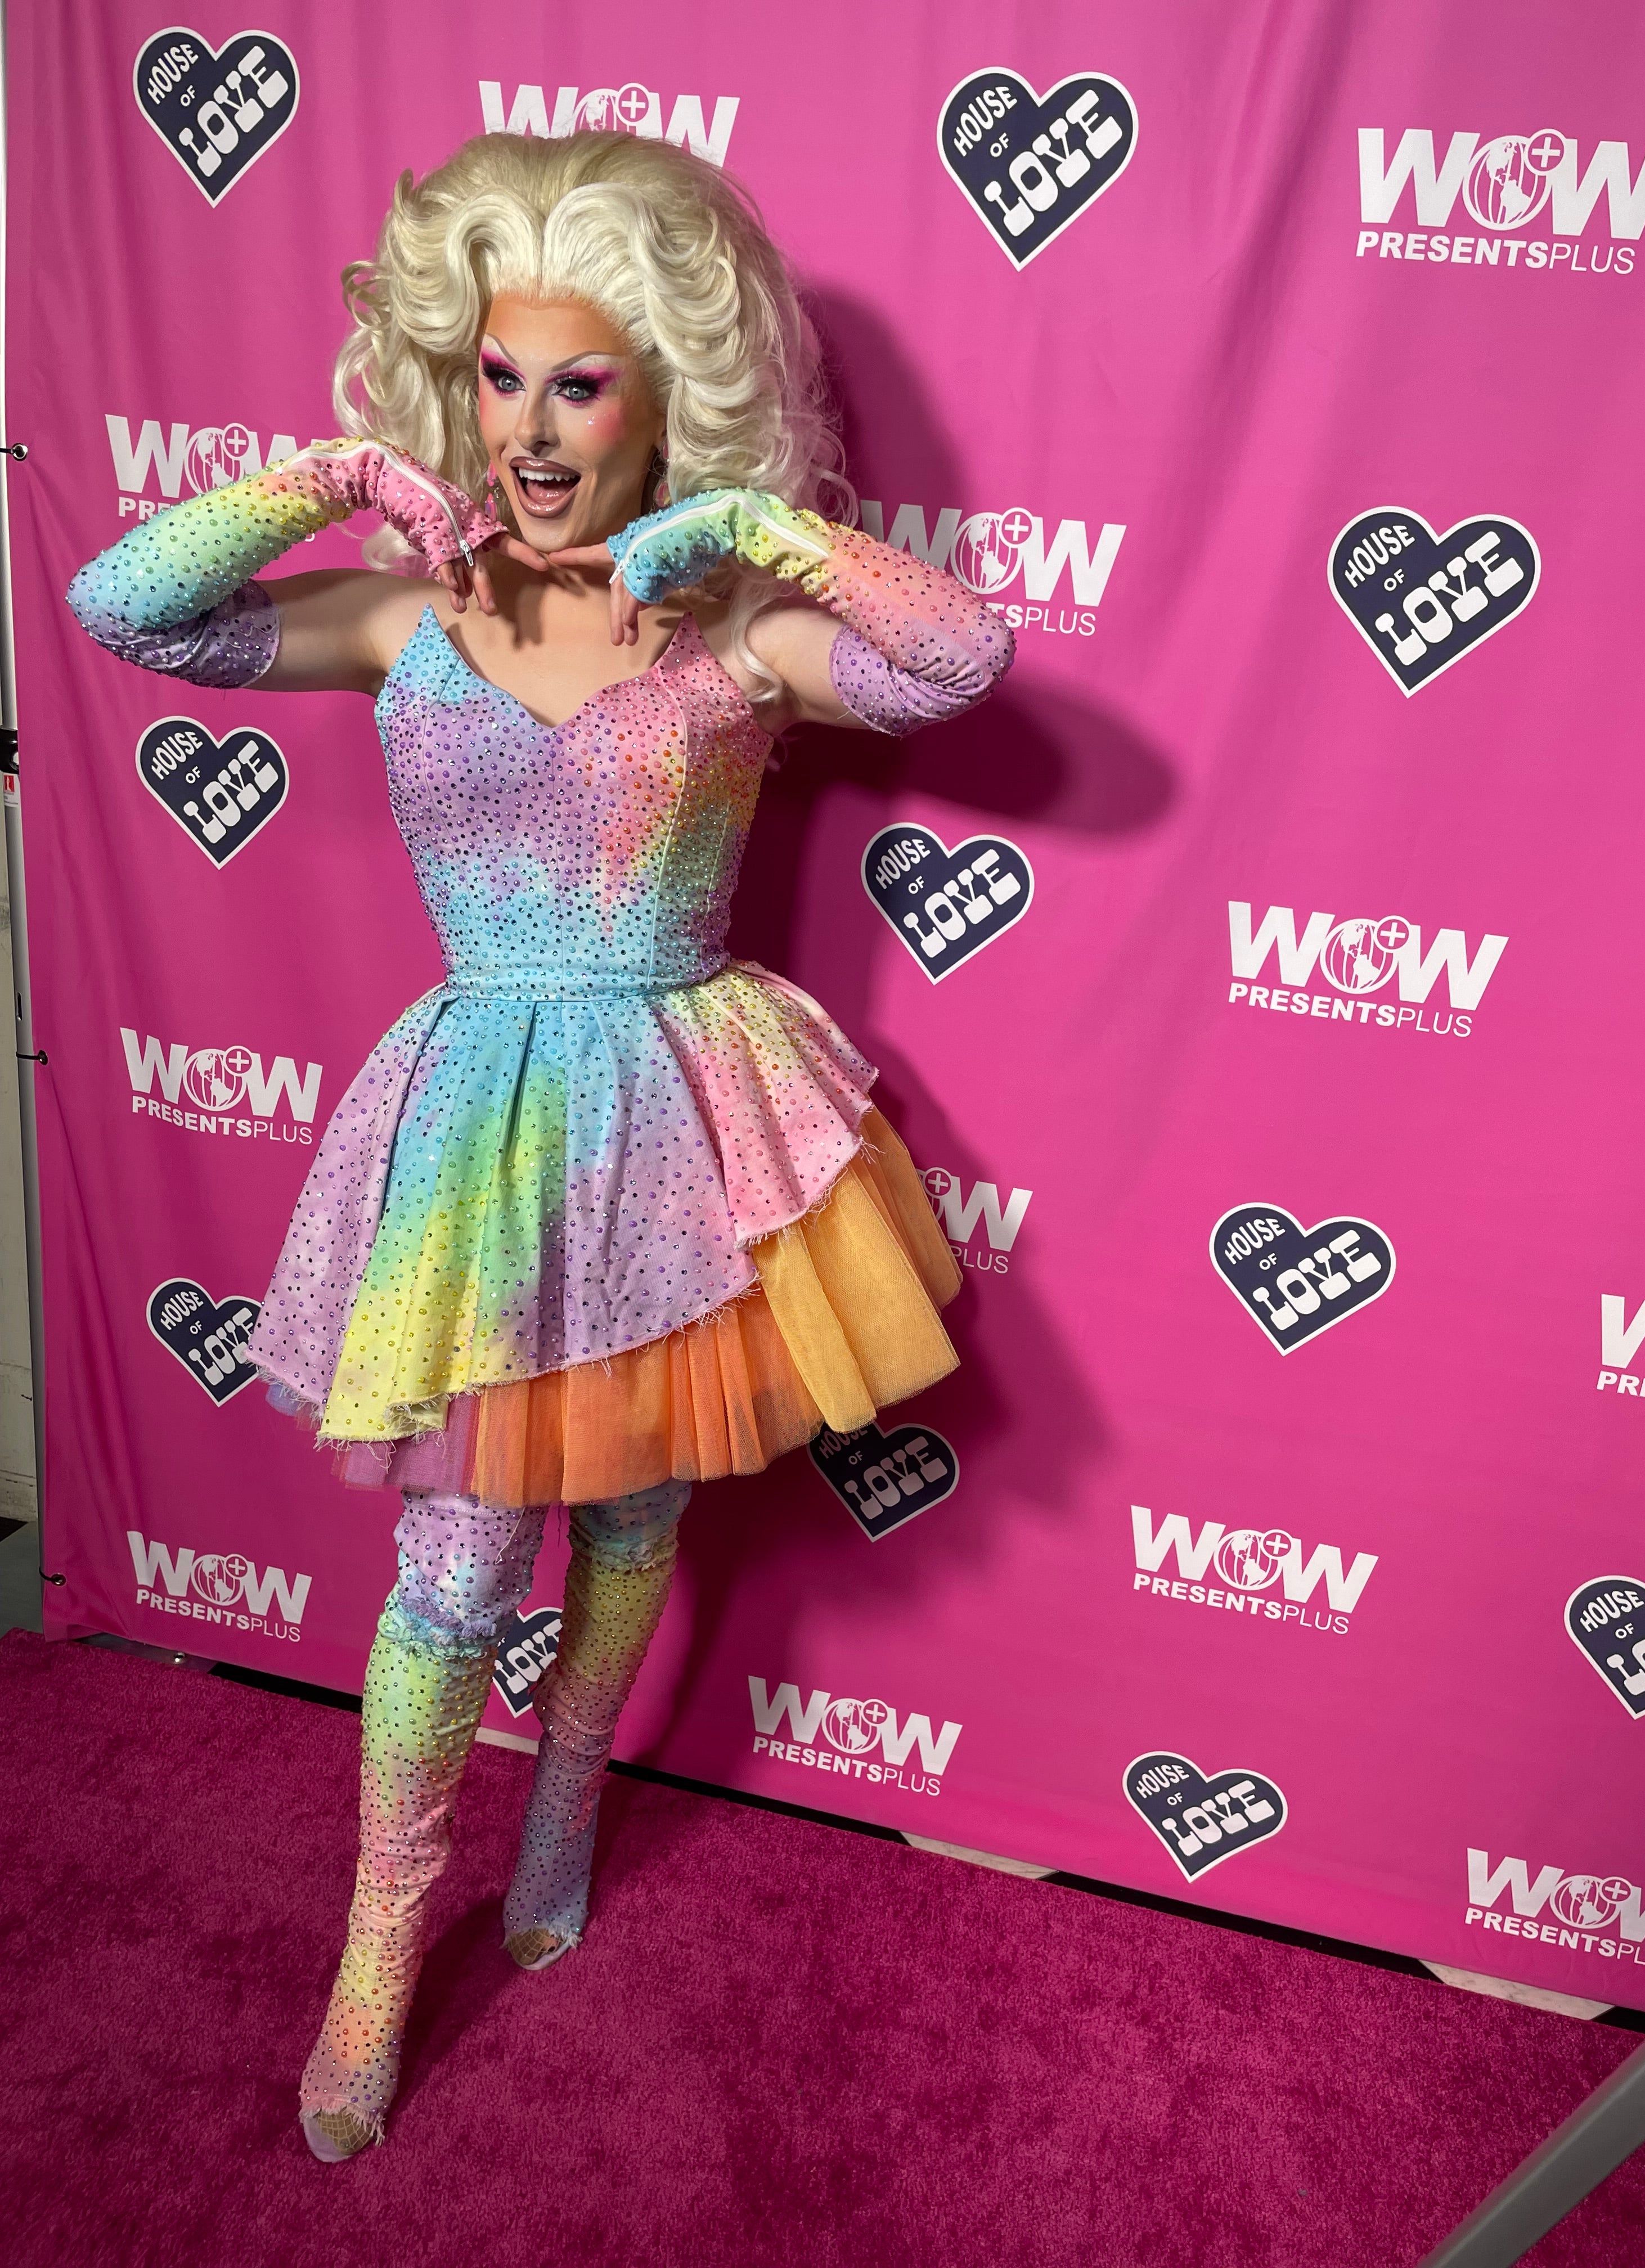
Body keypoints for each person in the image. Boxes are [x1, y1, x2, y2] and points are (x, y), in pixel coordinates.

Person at [66, 128, 1014, 2161]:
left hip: (679, 1122)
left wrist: (761, 526)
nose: (531, 426)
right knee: (447, 1567)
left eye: (582, 381)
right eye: (501, 376)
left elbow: (964, 658)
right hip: (477, 1137)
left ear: (670, 388)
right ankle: (384, 1942)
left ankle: (571, 1789)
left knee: (637, 1519)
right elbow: (124, 607)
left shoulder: (737, 635)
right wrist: (330, 480)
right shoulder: (405, 620)